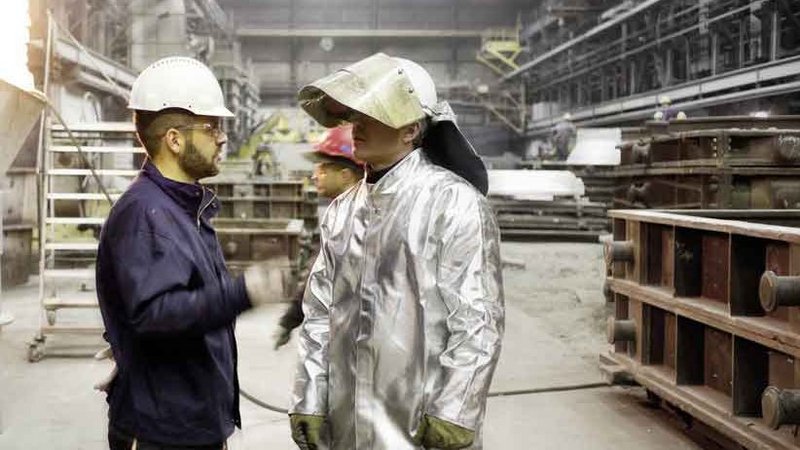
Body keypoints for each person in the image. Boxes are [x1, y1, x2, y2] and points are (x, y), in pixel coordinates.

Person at [289, 53, 505, 450]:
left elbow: (477, 316)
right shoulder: (343, 210)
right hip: (346, 422)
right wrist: (310, 397)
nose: (357, 126)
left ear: (410, 129)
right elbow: (319, 314)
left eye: (370, 116)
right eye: (355, 116)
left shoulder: (453, 202)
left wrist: (456, 409)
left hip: (421, 422)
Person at [96, 56, 282, 450]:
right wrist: (243, 292)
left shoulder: (182, 208)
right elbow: (154, 315)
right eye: (211, 126)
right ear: (175, 139)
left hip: (189, 419)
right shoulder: (146, 214)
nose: (223, 137)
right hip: (165, 432)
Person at [273, 124, 364, 349]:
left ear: (345, 175)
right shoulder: (340, 214)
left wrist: (289, 320)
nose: (314, 176)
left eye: (323, 169)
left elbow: (318, 277)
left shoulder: (355, 219)